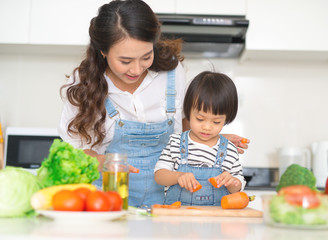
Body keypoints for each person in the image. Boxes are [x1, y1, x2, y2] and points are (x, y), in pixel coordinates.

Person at [59, 0, 248, 208]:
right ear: (103, 51)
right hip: (108, 195)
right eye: (125, 61)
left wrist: (210, 135)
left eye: (146, 57)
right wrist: (103, 162)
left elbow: (179, 126)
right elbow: (74, 148)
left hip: (166, 198)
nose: (137, 69)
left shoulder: (171, 71)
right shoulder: (83, 83)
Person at [154, 71, 246, 206]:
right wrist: (178, 176)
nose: (207, 127)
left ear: (227, 119)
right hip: (177, 220)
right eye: (200, 119)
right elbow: (159, 175)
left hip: (215, 222)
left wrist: (232, 182)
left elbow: (238, 185)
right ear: (188, 111)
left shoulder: (230, 150)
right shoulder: (175, 142)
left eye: (216, 122)